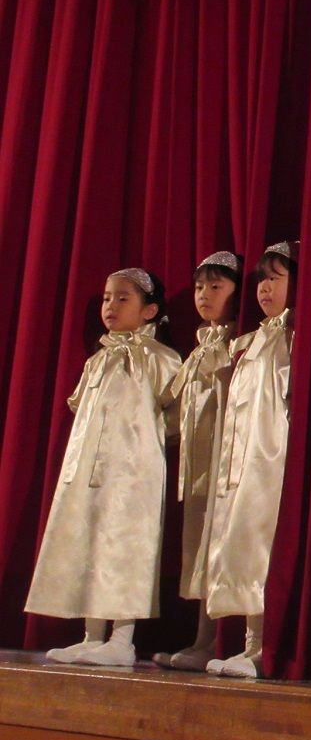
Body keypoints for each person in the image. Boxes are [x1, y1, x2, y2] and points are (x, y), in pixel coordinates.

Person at [26, 267, 181, 666]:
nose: (111, 305)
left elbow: (177, 415)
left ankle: (122, 639)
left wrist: (143, 449)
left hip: (134, 470)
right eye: (107, 298)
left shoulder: (160, 358)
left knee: (126, 545)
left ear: (149, 310)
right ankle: (91, 635)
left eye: (122, 298)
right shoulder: (97, 361)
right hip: (89, 468)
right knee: (88, 539)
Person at [204, 241, 297, 678]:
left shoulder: (292, 339)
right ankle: (250, 645)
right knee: (242, 543)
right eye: (261, 279)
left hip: (272, 456)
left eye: (275, 278)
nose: (265, 288)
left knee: (263, 545)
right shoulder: (254, 340)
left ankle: (268, 647)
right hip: (243, 458)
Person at [153, 252, 242, 672]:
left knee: (222, 547)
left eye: (216, 286)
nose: (204, 295)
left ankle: (221, 640)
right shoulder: (202, 346)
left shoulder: (238, 345)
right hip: (200, 464)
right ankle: (202, 638)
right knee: (201, 548)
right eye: (199, 287)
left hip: (228, 463)